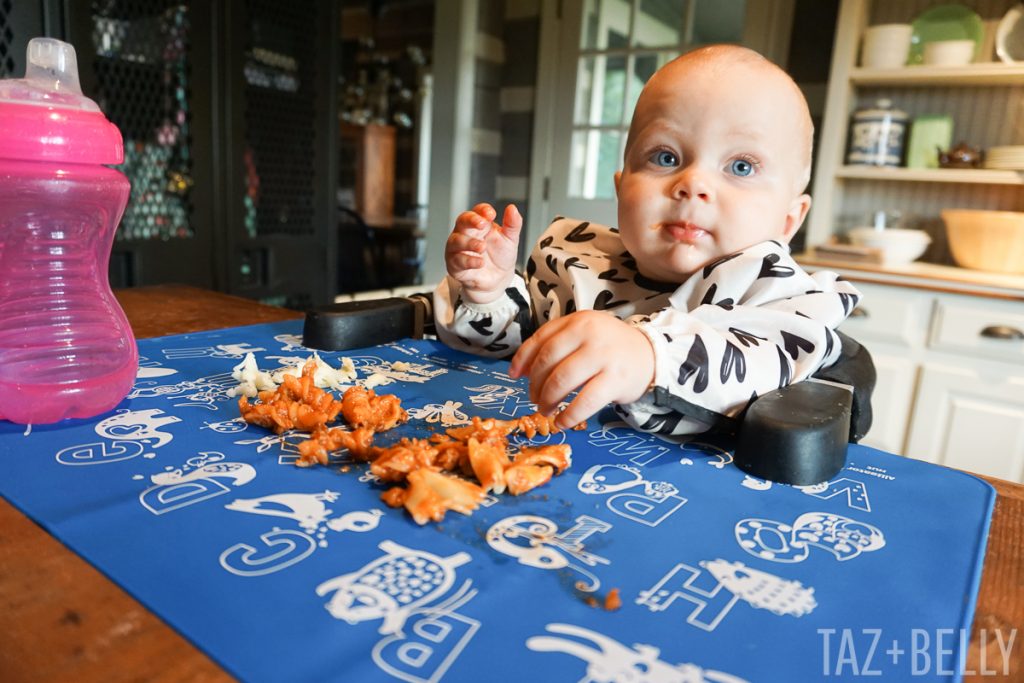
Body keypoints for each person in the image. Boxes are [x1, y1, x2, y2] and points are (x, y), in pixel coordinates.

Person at [433, 45, 861, 438]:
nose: (692, 183)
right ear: (621, 189)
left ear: (789, 220)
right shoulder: (579, 262)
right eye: (666, 157)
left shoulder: (778, 297)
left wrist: (649, 355)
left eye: (742, 167)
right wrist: (489, 293)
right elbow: (516, 356)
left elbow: (755, 363)